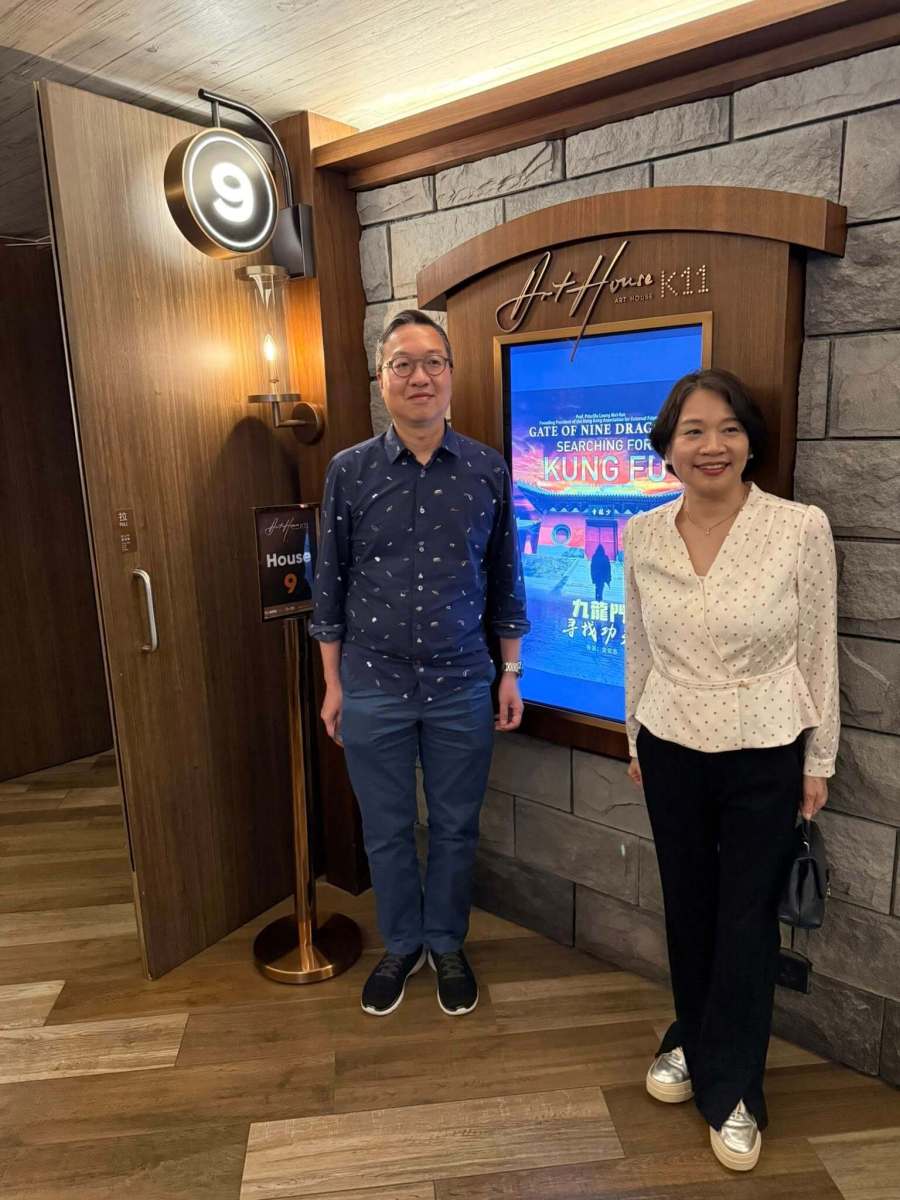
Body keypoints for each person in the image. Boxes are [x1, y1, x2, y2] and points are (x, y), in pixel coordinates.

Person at [623, 368, 838, 1172]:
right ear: (669, 447)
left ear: (751, 442)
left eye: (729, 429)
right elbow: (638, 645)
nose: (711, 445)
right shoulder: (642, 533)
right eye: (693, 431)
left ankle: (737, 1086)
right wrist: (636, 738)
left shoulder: (798, 528)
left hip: (765, 744)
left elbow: (818, 649)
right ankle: (692, 1036)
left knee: (746, 918)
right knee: (687, 905)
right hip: (671, 740)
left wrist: (819, 757)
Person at [311, 309, 529, 1018]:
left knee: (458, 826)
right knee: (386, 828)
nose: (419, 376)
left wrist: (510, 672)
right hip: (372, 682)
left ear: (451, 376)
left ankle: (447, 944)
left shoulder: (486, 469)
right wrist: (333, 685)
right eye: (402, 364)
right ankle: (402, 944)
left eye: (433, 361)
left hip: (462, 681)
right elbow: (329, 585)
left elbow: (505, 577)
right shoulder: (349, 471)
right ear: (382, 380)